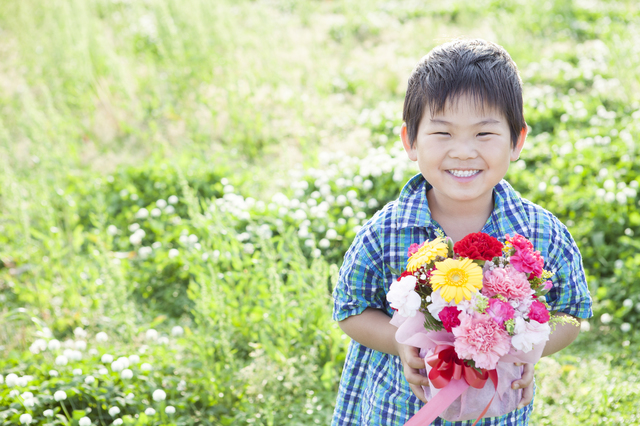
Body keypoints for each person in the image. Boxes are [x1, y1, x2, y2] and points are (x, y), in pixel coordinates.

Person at [331, 38, 593, 425]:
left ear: (517, 141)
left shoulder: (540, 233)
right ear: (411, 141)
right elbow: (349, 310)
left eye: (484, 134)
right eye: (443, 134)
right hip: (399, 406)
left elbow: (571, 314)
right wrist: (403, 346)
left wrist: (523, 347)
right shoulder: (386, 232)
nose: (464, 151)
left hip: (494, 411)